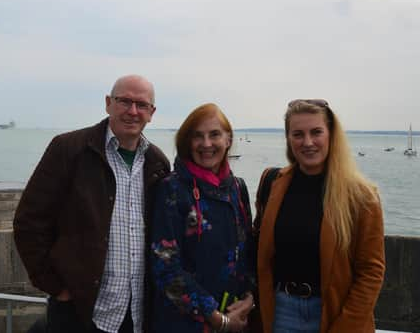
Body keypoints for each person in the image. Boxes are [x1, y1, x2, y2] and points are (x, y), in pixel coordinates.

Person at [13, 75, 170, 333]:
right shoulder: (68, 149)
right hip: (80, 313)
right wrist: (57, 287)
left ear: (151, 113)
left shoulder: (157, 163)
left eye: (141, 105)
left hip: (138, 315)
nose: (132, 111)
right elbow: (29, 223)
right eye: (124, 101)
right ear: (108, 103)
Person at [255, 99, 385, 332]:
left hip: (335, 314)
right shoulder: (272, 182)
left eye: (316, 132)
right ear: (288, 139)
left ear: (331, 135)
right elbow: (260, 252)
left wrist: (346, 326)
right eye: (298, 134)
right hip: (281, 312)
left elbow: (371, 272)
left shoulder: (361, 196)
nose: (307, 142)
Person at [150, 103, 255, 333]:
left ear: (228, 139)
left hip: (236, 317)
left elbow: (247, 252)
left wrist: (250, 298)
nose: (206, 144)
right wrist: (216, 318)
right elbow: (165, 268)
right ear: (188, 142)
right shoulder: (173, 188)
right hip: (184, 323)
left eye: (214, 135)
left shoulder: (238, 188)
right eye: (198, 136)